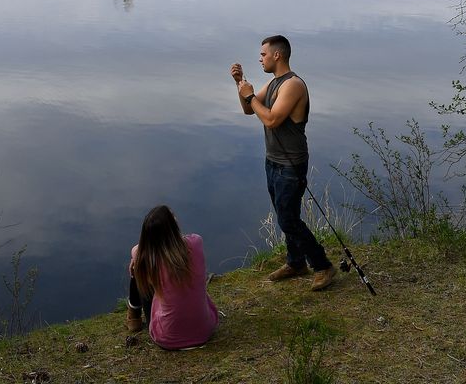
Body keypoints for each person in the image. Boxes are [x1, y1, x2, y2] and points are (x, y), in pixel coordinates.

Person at [231, 34, 337, 291]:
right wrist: (240, 85)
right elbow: (249, 109)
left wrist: (250, 96)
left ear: (277, 55)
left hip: (291, 165)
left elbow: (271, 119)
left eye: (263, 54)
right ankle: (296, 262)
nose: (260, 59)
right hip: (273, 161)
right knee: (284, 214)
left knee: (288, 219)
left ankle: (322, 265)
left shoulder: (293, 85)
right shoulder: (274, 83)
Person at [125, 204, 219, 349]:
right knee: (141, 265)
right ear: (173, 226)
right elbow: (181, 242)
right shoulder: (195, 243)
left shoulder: (147, 257)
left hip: (167, 338)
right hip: (204, 332)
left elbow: (137, 250)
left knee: (138, 268)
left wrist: (138, 261)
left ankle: (134, 317)